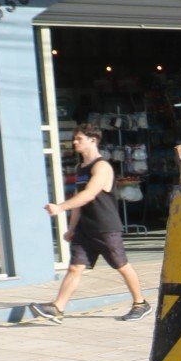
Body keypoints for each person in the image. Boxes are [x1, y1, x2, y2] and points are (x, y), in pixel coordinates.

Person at [27, 124, 151, 322]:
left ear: (93, 140)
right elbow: (79, 198)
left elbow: (89, 194)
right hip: (85, 228)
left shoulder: (101, 167)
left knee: (121, 265)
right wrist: (72, 228)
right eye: (74, 139)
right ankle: (58, 307)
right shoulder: (80, 168)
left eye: (79, 139)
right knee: (75, 267)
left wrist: (60, 207)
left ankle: (140, 303)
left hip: (106, 227)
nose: (74, 142)